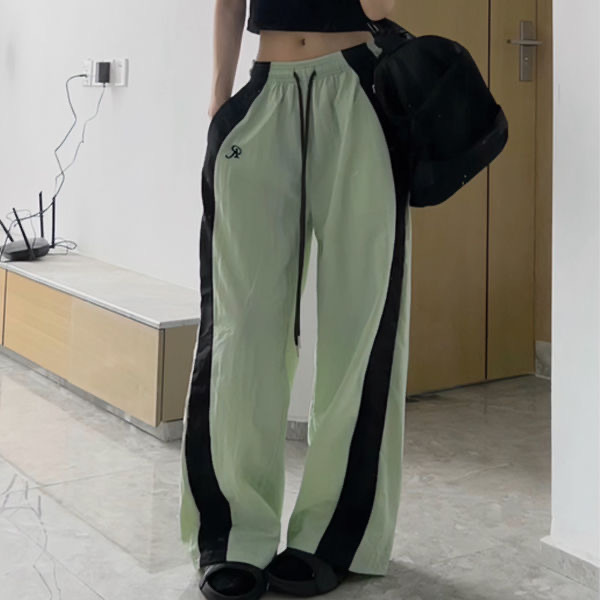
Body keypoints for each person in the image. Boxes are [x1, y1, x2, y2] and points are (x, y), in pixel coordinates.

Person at [179, 0, 413, 598]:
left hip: (359, 91)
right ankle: (234, 532)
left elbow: (380, 6)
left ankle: (335, 537)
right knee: (241, 324)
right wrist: (219, 99)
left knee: (361, 320)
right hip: (265, 92)